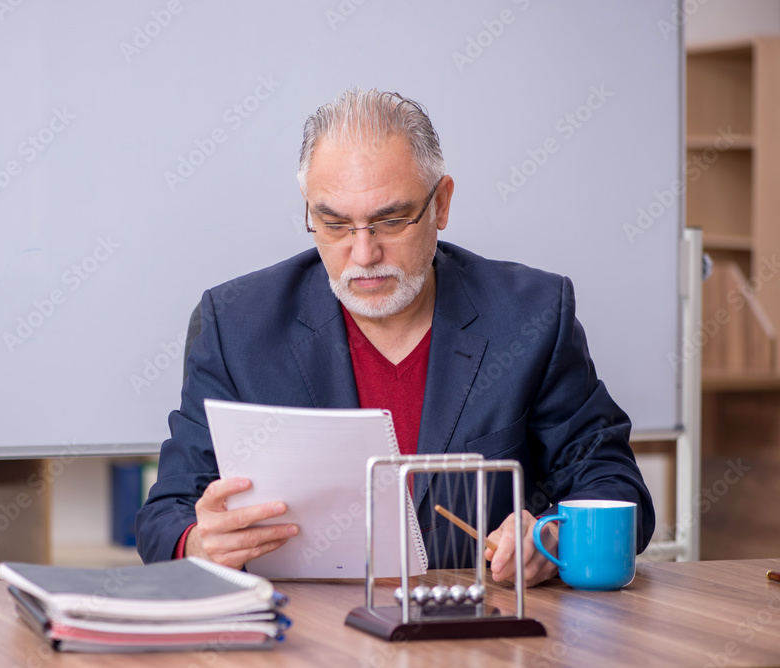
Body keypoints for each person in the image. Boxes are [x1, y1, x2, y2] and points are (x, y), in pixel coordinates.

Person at [136, 88, 654, 587]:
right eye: (334, 224)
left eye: (390, 220)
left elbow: (611, 482)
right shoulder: (237, 325)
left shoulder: (531, 316)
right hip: (304, 638)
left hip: (481, 632)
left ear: (441, 205)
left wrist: (555, 537)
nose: (363, 255)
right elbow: (165, 516)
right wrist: (202, 544)